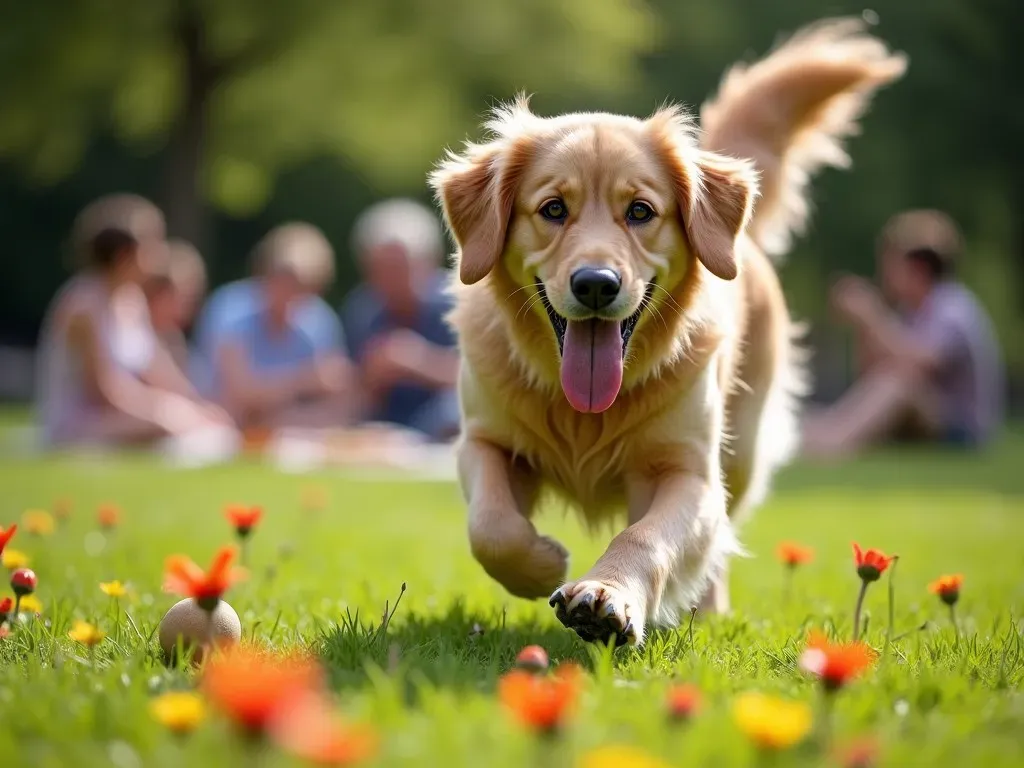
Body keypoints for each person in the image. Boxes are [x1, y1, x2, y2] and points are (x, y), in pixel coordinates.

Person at [802, 210, 1004, 458]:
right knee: (890, 380)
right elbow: (869, 377)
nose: (884, 273)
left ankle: (833, 442)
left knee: (899, 382)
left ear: (917, 267)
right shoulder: (912, 311)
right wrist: (864, 327)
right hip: (925, 421)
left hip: (961, 430)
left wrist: (872, 315)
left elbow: (917, 365)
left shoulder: (952, 307)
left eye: (891, 264)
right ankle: (816, 433)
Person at [35, 194, 232, 448]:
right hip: (78, 425)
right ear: (124, 254)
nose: (161, 254)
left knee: (196, 423)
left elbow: (157, 370)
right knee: (169, 423)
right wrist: (162, 409)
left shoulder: (132, 300)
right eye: (153, 245)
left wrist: (198, 405)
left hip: (117, 416)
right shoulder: (82, 306)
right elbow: (103, 391)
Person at [205, 223, 355, 430]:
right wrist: (303, 381)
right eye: (284, 282)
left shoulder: (322, 321)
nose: (290, 296)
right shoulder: (230, 309)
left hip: (292, 432)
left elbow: (340, 402)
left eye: (301, 288)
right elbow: (235, 396)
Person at [340, 199, 460, 443]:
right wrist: (371, 376)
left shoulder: (457, 301)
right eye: (379, 269)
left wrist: (417, 361)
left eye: (398, 268)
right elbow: (353, 387)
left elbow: (487, 378)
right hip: (384, 424)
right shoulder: (362, 309)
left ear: (428, 262)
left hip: (443, 421)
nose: (388, 279)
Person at [144, 238, 207, 374]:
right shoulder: (132, 336)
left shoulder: (175, 342)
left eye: (191, 300)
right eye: (180, 298)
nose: (183, 311)